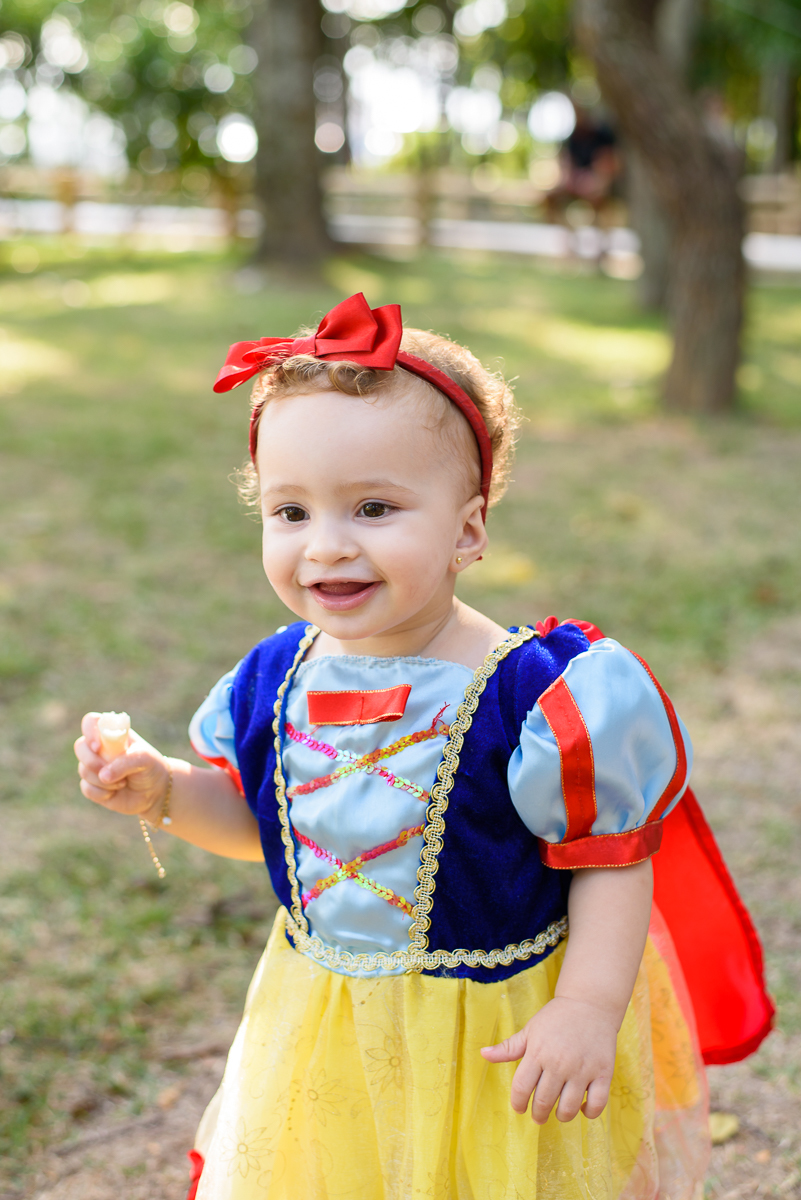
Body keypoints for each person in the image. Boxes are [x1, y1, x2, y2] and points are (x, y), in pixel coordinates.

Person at [74, 293, 772, 1200]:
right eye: (290, 513)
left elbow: (607, 861)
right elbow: (265, 828)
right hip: (328, 1024)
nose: (326, 547)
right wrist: (164, 790)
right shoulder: (272, 679)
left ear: (467, 529)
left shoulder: (538, 696)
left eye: (372, 507)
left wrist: (587, 1009)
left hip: (502, 1033)